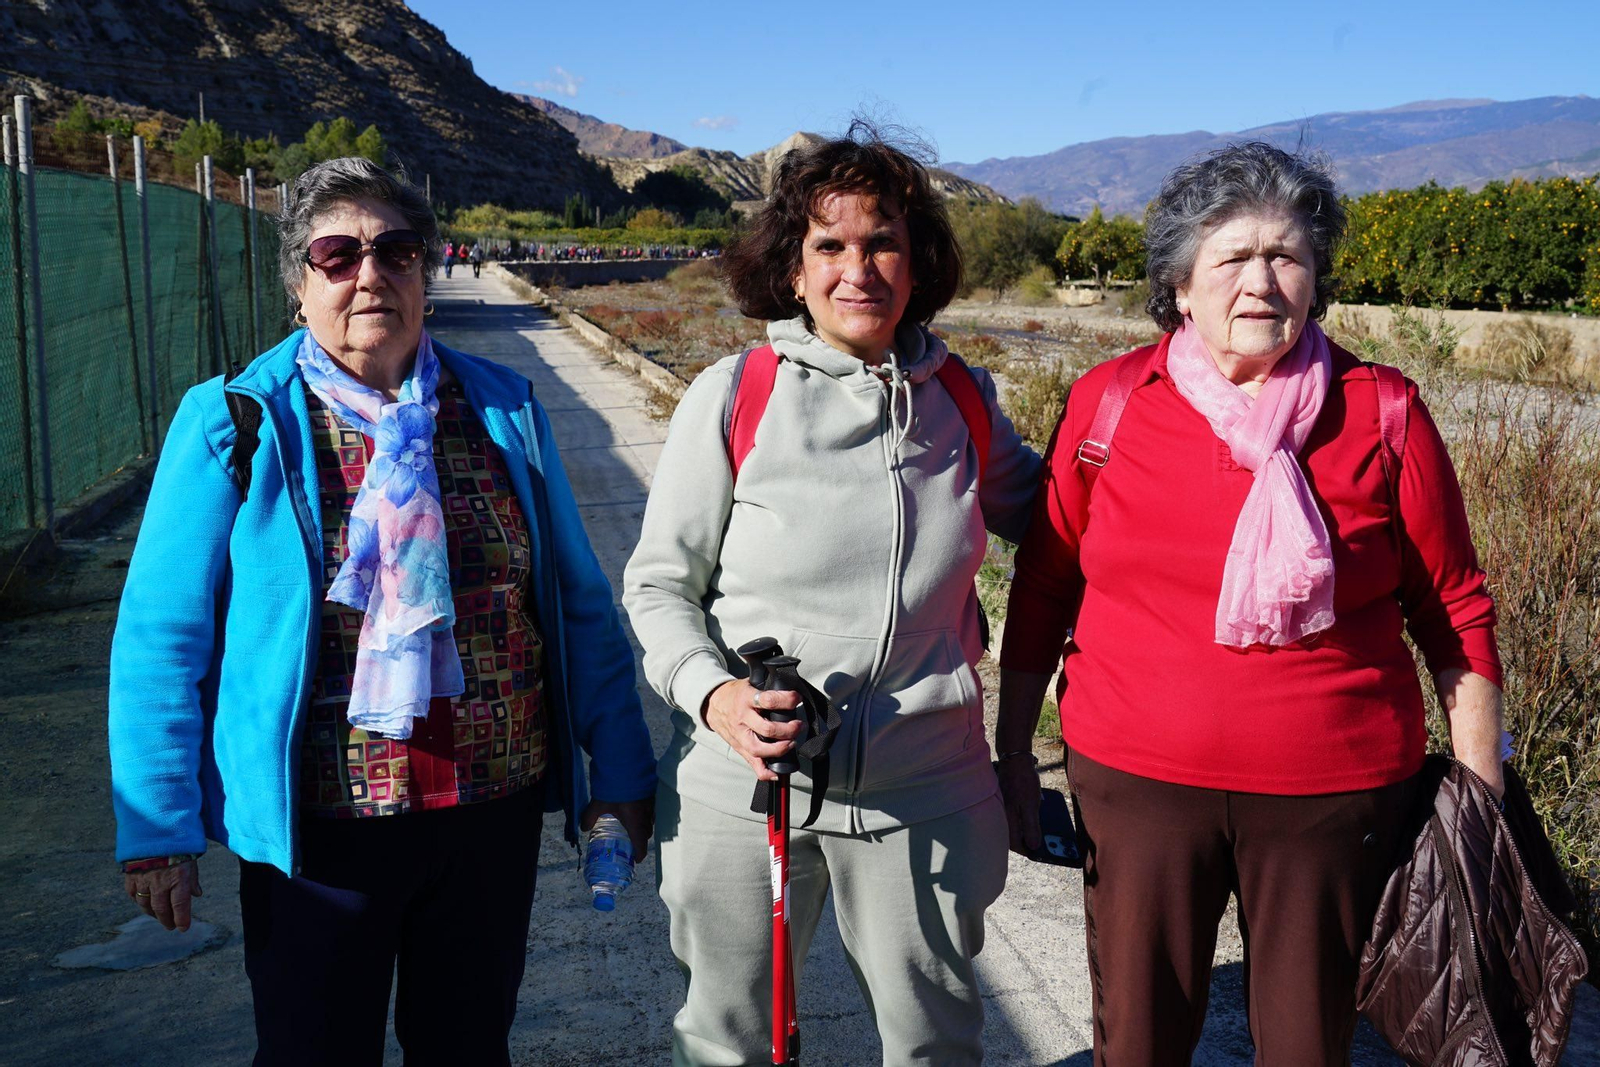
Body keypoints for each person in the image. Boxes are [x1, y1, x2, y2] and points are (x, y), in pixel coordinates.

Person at [109, 157, 656, 1066]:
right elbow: (163, 636)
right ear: (300, 282)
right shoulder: (235, 422)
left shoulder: (501, 407)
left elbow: (576, 603)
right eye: (337, 253)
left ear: (427, 268)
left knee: (469, 1048)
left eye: (396, 249)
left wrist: (624, 771)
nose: (371, 274)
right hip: (320, 834)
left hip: (489, 813)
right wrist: (157, 829)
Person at [994, 142, 1505, 1065]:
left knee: (1308, 1046)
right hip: (1137, 783)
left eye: (1288, 256)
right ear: (1180, 287)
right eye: (1232, 257)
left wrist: (1482, 798)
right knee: (1138, 1043)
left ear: (1315, 281)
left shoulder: (1383, 411)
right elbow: (1043, 586)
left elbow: (1455, 613)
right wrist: (1012, 754)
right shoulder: (1112, 404)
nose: (1262, 280)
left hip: (1331, 799)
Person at [623, 123, 1041, 1066]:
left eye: (883, 239)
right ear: (795, 268)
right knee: (729, 1042)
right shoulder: (739, 394)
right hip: (743, 786)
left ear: (918, 256)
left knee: (935, 1045)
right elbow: (657, 588)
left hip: (923, 791)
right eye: (830, 245)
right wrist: (714, 695)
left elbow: (1068, 521)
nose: (860, 268)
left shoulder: (963, 403)